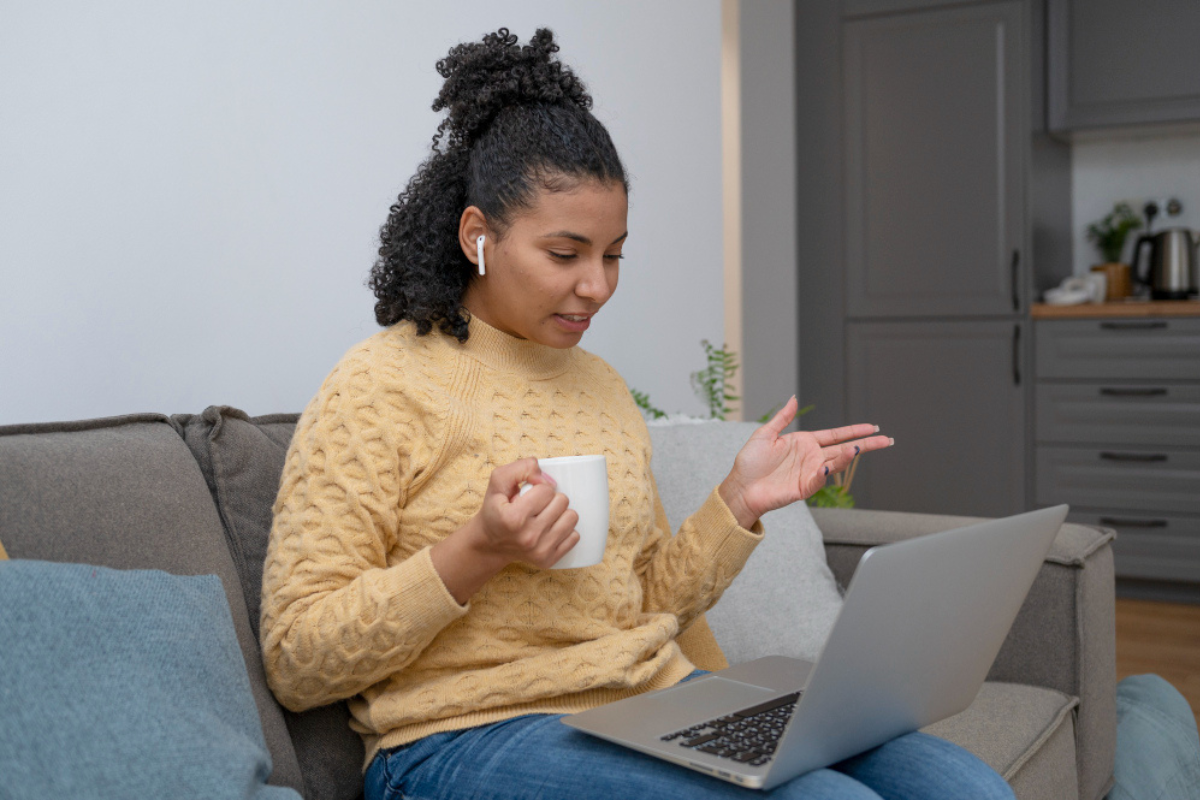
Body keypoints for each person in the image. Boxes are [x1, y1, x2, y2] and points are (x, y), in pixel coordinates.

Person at [259, 27, 1015, 800]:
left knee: (964, 786)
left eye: (614, 253)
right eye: (566, 254)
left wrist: (738, 502)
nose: (598, 286)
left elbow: (646, 604)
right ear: (478, 236)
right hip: (461, 740)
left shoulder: (602, 387)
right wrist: (478, 550)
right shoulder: (379, 385)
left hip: (648, 707)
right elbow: (296, 658)